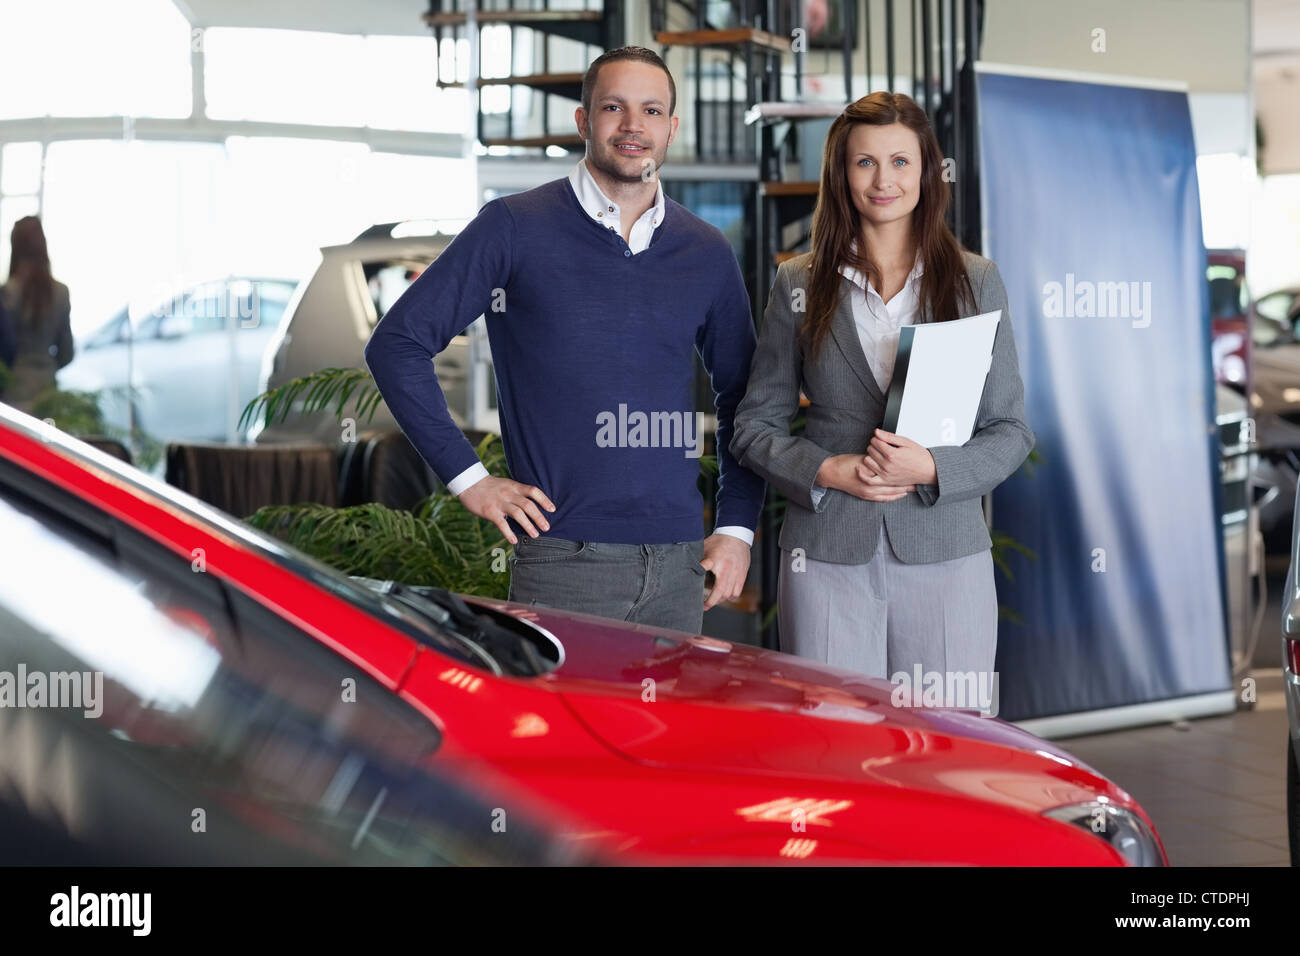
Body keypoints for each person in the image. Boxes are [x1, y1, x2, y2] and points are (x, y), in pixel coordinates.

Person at [364, 46, 765, 634]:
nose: (634, 126)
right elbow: (397, 344)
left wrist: (735, 530)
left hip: (680, 563)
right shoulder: (514, 226)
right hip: (563, 561)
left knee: (662, 730)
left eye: (652, 111)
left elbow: (745, 398)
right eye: (613, 107)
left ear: (672, 128)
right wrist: (469, 479)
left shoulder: (705, 250)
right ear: (583, 121)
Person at [730, 91, 1034, 689]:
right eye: (864, 162)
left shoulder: (977, 281)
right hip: (826, 555)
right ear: (841, 173)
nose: (883, 180)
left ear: (927, 171)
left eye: (900, 161)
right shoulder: (798, 281)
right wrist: (828, 470)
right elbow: (753, 426)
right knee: (835, 742)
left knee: (947, 745)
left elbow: (1010, 429)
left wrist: (932, 466)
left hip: (945, 550)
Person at [2, 216, 74, 414]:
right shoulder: (61, 292)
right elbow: (67, 353)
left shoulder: (7, 293)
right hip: (48, 393)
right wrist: (46, 366)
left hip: (12, 391)